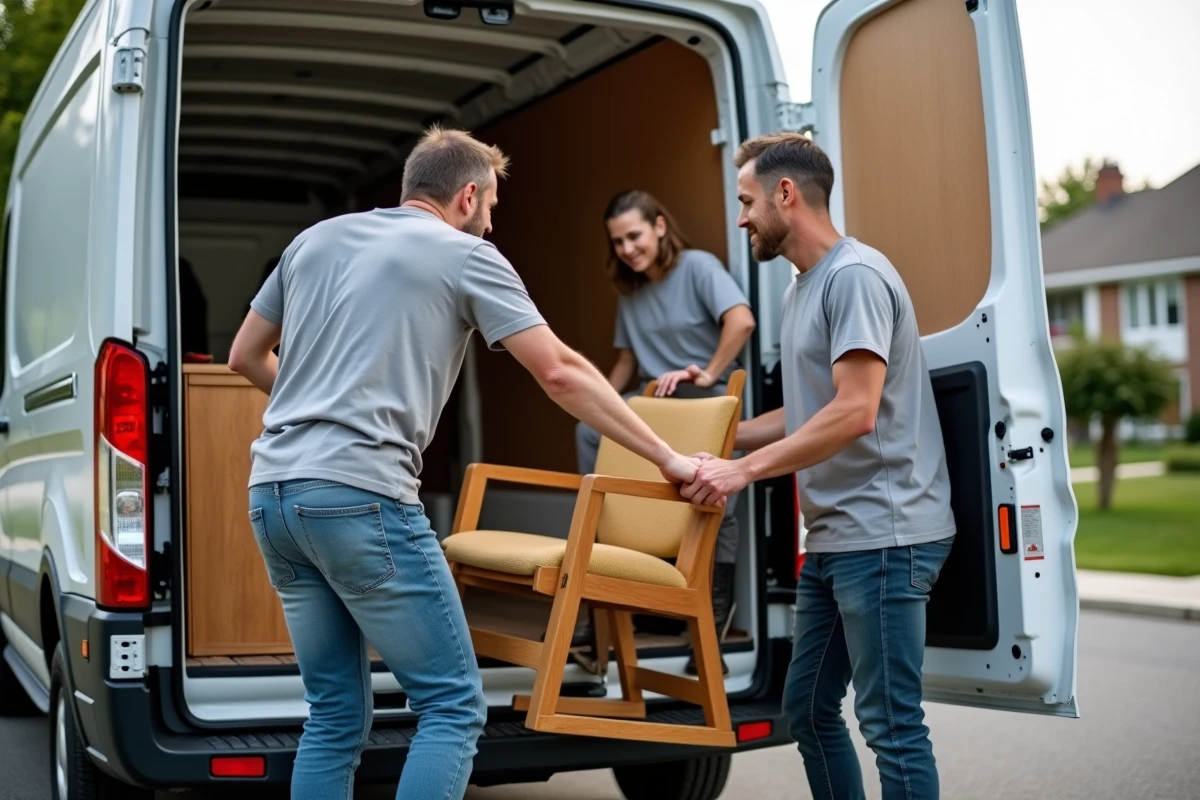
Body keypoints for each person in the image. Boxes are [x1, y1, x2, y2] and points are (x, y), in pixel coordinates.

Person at [227, 126, 709, 800]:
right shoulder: (464, 254)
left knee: (335, 715)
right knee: (452, 706)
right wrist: (666, 457)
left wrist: (319, 406)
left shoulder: (315, 241)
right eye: (489, 210)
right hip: (359, 497)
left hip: (274, 496)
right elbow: (562, 373)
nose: (489, 224)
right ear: (468, 194)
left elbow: (244, 356)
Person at [679, 132, 957, 800]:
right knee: (805, 709)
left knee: (891, 725)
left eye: (746, 201)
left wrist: (744, 474)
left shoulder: (854, 277)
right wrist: (722, 443)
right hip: (836, 540)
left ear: (785, 193)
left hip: (887, 536)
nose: (740, 217)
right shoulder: (802, 288)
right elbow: (810, 410)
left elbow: (856, 410)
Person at [574, 189, 755, 675]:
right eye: (618, 242)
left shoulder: (697, 267)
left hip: (706, 402)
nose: (627, 248)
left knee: (717, 500)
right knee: (589, 434)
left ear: (658, 226)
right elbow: (627, 363)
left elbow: (741, 321)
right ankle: (596, 602)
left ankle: (710, 625)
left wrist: (710, 373)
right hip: (657, 408)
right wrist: (593, 405)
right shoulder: (631, 293)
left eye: (634, 235)